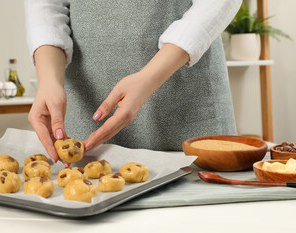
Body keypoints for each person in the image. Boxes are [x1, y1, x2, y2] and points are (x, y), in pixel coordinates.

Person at [24, 0, 242, 166]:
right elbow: (45, 5)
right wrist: (49, 79)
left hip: (186, 106)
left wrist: (150, 76)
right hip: (86, 106)